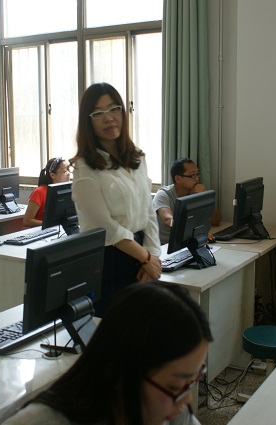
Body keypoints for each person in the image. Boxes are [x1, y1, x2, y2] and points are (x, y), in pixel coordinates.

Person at [4, 280, 213, 425]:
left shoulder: (171, 410)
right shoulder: (41, 422)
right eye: (175, 386)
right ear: (121, 371)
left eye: (193, 381)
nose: (186, 400)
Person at [70, 82, 161, 316]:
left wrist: (153, 256)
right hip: (109, 260)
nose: (108, 118)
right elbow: (104, 226)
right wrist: (146, 257)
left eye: (114, 109)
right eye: (98, 113)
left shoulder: (137, 158)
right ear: (88, 121)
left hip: (141, 254)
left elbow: (148, 211)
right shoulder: (84, 168)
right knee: (115, 330)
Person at [153, 158, 213, 244]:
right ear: (177, 178)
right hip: (164, 245)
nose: (197, 179)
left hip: (187, 242)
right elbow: (168, 220)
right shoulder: (163, 194)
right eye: (192, 175)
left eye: (197, 174)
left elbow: (215, 220)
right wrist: (194, 232)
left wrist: (205, 197)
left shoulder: (195, 192)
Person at [23, 157, 71, 227]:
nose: (68, 174)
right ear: (53, 175)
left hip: (60, 229)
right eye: (65, 172)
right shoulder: (39, 192)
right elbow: (27, 221)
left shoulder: (66, 190)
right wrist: (51, 225)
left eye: (69, 171)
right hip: (43, 230)